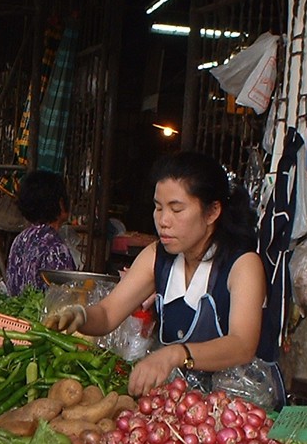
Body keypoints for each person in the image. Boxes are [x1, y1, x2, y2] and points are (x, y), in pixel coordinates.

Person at [45, 151, 285, 408]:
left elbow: (242, 344)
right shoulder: (157, 257)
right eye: (158, 208)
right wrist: (81, 315)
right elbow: (107, 313)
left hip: (241, 410)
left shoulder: (242, 265)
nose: (163, 221)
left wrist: (176, 354)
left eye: (176, 209)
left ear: (212, 211)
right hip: (182, 408)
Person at [6, 170, 77, 296]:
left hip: (15, 314)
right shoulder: (56, 249)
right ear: (60, 203)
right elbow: (64, 300)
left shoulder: (19, 239)